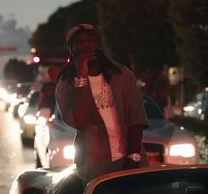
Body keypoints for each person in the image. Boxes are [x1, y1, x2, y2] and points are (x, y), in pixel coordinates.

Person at [55, 24, 149, 190]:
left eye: (91, 40)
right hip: (94, 168)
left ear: (99, 44)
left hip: (129, 163)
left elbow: (136, 117)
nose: (86, 45)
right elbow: (81, 122)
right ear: (72, 49)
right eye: (79, 42)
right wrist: (82, 75)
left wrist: (133, 158)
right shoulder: (66, 84)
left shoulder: (122, 75)